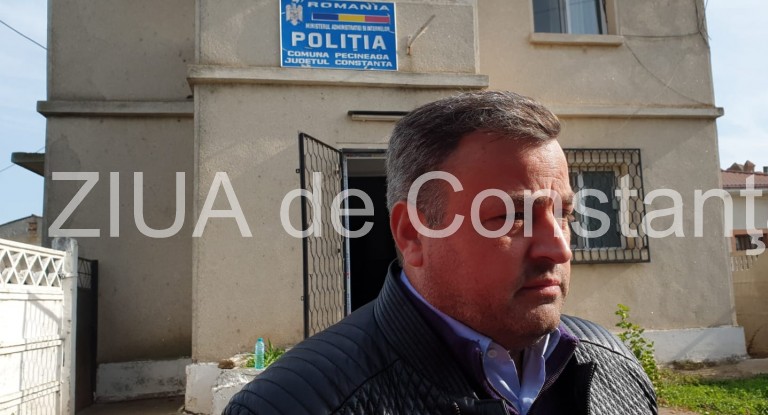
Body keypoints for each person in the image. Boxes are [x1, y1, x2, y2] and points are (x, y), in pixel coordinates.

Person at [224, 91, 657, 415]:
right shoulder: (294, 403)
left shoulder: (612, 365)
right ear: (413, 234)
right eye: (511, 216)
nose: (559, 248)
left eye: (563, 214)